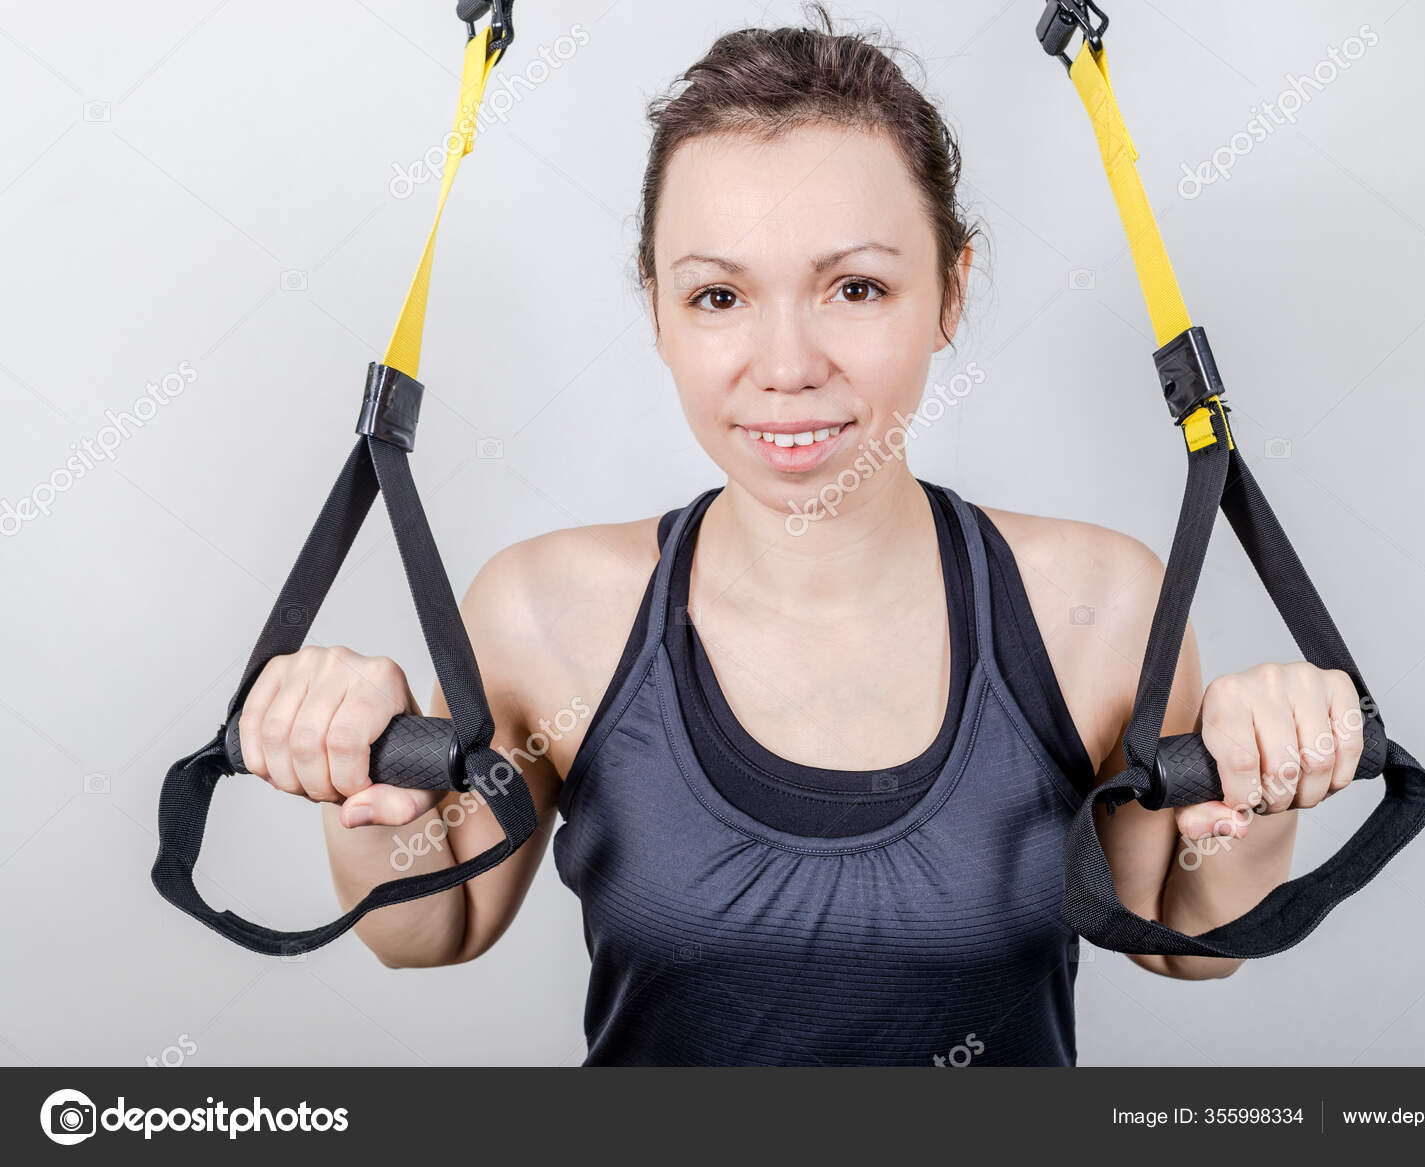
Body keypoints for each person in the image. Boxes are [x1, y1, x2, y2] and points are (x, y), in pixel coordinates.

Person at [231, 6, 1366, 1066]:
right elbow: (434, 927)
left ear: (949, 293)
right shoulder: (544, 612)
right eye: (719, 297)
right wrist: (373, 804)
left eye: (856, 289)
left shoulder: (1103, 607)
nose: (785, 367)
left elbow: (1182, 936)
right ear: (659, 309)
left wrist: (1260, 796)